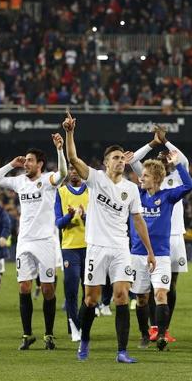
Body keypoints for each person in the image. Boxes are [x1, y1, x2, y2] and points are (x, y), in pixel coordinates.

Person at [63, 111, 156, 363]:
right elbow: (72, 157)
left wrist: (149, 251)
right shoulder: (95, 179)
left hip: (120, 249)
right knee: (90, 299)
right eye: (115, 158)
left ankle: (122, 351)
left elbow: (138, 221)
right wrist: (70, 132)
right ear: (106, 163)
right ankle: (84, 341)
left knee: (122, 296)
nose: (119, 161)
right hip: (96, 248)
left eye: (121, 158)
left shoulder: (131, 189)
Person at [0, 134, 67, 350]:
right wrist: (11, 164)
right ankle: (27, 335)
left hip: (45, 242)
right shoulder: (20, 181)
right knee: (24, 287)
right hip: (24, 242)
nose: (26, 163)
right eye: (25, 160)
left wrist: (60, 149)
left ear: (40, 164)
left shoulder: (48, 180)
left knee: (48, 290)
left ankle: (49, 334)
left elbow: (63, 173)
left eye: (30, 160)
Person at [128, 125, 191, 341]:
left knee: (167, 287)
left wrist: (167, 144)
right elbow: (132, 161)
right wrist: (154, 143)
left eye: (167, 157)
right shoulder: (140, 187)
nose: (164, 158)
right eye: (162, 157)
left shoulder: (173, 185)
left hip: (171, 240)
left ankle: (163, 330)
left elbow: (184, 165)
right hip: (141, 249)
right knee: (143, 295)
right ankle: (149, 331)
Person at [54, 164, 89, 341]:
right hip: (69, 248)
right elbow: (58, 223)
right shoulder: (61, 192)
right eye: (71, 169)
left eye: (77, 169)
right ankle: (74, 328)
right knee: (71, 290)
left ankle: (82, 324)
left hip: (90, 247)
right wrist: (69, 216)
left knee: (89, 292)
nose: (74, 172)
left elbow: (99, 221)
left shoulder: (91, 190)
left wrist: (84, 217)